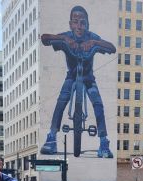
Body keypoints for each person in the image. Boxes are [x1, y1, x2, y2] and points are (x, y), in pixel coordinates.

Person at [40, 5, 116, 158]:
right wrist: (63, 39)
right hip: (71, 76)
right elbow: (44, 38)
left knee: (98, 104)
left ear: (87, 24)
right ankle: (52, 136)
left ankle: (103, 141)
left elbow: (112, 48)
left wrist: (95, 43)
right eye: (75, 22)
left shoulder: (91, 36)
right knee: (61, 101)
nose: (79, 26)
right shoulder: (67, 36)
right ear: (70, 24)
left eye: (82, 22)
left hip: (88, 78)